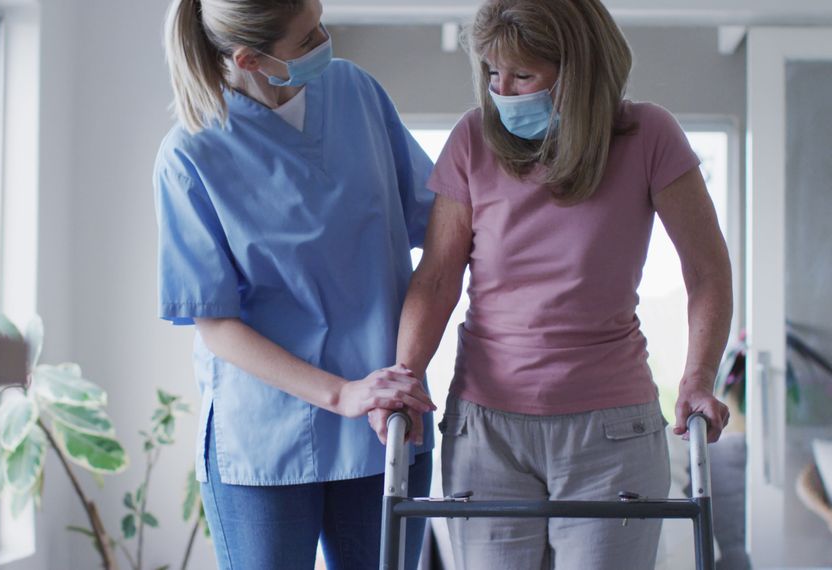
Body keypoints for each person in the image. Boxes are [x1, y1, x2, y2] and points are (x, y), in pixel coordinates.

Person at [370, 0, 734, 568]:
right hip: (487, 429)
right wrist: (405, 376)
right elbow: (438, 278)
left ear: (578, 69)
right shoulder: (472, 139)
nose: (503, 90)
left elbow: (707, 271)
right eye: (492, 72)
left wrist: (698, 379)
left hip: (612, 432)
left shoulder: (647, 134)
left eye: (523, 74)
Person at [155, 0, 437, 567]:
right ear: (250, 59)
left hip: (385, 420)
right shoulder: (190, 155)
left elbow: (443, 231)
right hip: (264, 439)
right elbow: (216, 324)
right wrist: (343, 394)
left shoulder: (357, 94)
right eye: (308, 38)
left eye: (320, 23)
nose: (326, 41)